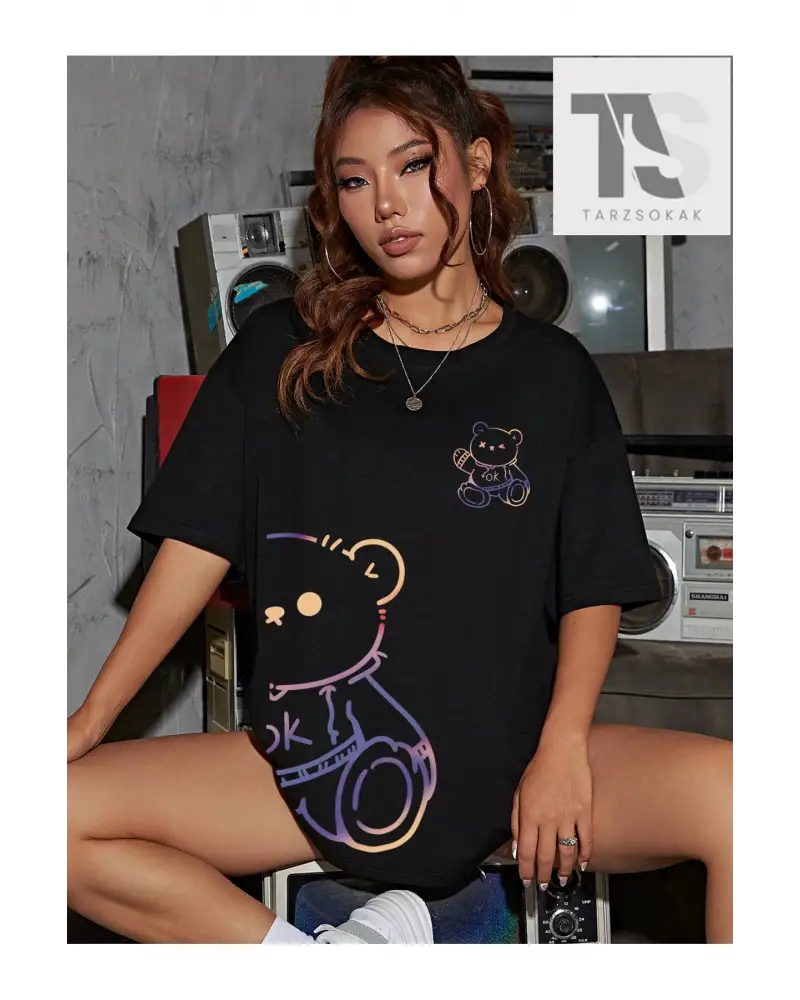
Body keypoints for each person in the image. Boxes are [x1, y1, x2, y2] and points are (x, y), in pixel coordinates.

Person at [64, 56, 735, 945]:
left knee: (744, 805)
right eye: (355, 180)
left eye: (413, 165)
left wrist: (564, 747)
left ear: (476, 163)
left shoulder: (553, 375)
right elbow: (195, 545)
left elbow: (593, 583)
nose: (386, 204)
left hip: (513, 766)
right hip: (317, 763)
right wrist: (92, 718)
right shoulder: (280, 351)